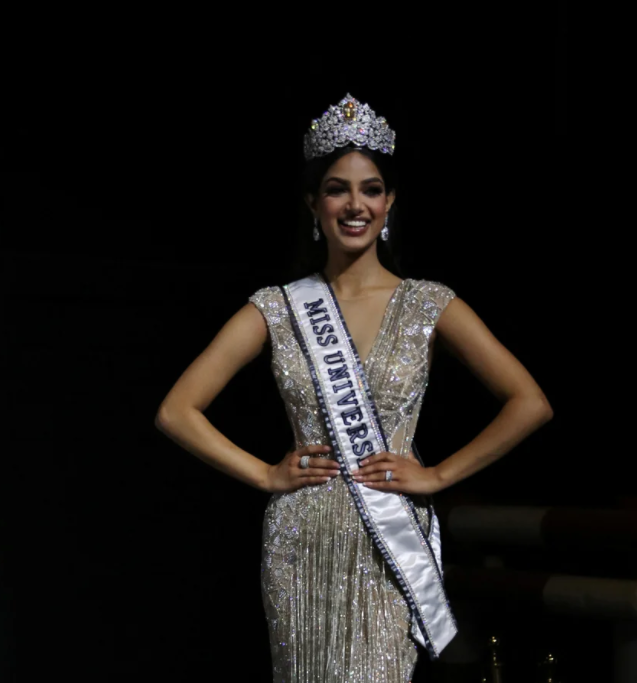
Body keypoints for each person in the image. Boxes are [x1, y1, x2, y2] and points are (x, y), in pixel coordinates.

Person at [155, 94, 554, 683]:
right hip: (301, 542)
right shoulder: (279, 307)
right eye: (337, 188)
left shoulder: (428, 302)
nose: (354, 204)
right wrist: (265, 474)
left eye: (370, 189)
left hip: (388, 539)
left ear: (390, 202)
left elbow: (530, 403)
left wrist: (439, 475)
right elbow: (177, 411)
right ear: (313, 204)